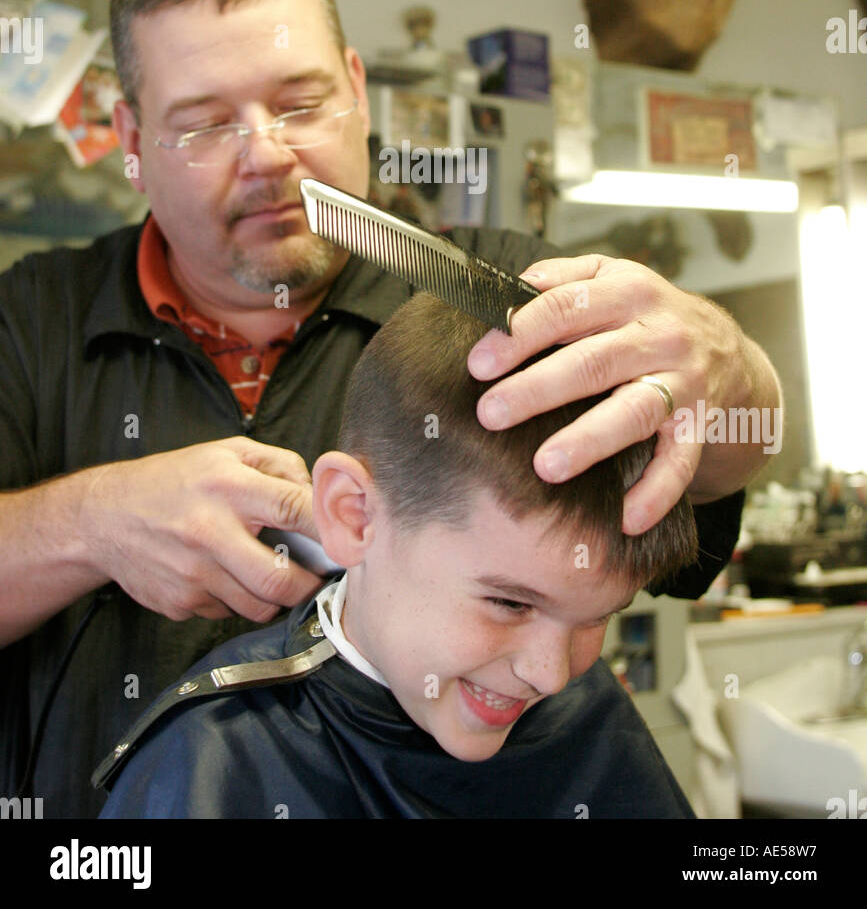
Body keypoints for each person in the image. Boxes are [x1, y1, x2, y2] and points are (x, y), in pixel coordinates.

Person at [0, 0, 780, 818]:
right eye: (206, 122)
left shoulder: (502, 298)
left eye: (299, 104)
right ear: (131, 138)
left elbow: (692, 475)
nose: (267, 155)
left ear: (358, 91)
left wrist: (730, 373)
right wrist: (88, 524)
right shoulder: (30, 320)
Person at [98, 293, 698, 819]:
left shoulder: (586, 714)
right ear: (352, 515)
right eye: (510, 603)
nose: (553, 674)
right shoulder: (213, 761)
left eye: (598, 617)